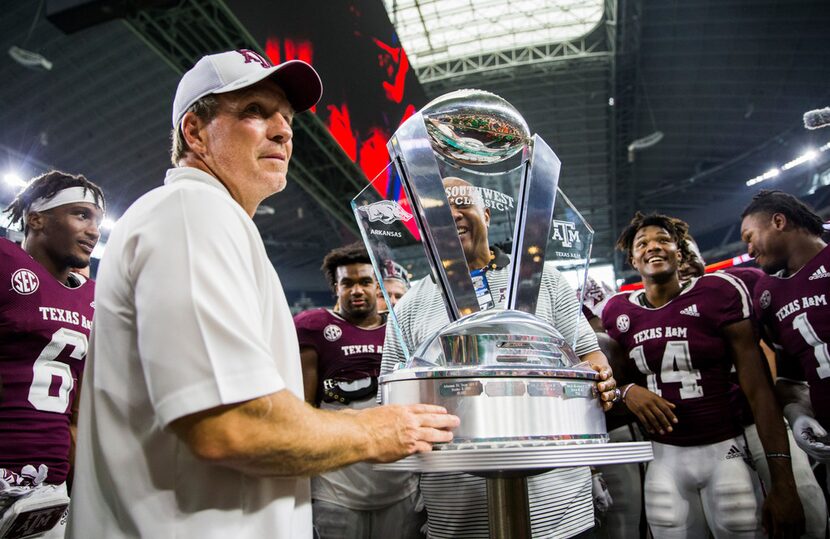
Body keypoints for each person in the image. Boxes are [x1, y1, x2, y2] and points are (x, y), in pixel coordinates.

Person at [66, 49, 458, 539]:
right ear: (194, 132)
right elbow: (234, 425)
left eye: (287, 118)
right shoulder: (192, 212)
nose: (283, 130)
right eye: (254, 111)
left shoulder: (210, 219)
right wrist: (381, 429)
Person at [380, 176, 618, 538]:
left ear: (487, 215)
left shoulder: (545, 280)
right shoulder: (410, 305)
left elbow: (590, 356)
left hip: (560, 509)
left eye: (461, 203)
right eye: (437, 210)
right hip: (458, 514)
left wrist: (601, 379)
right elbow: (390, 396)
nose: (452, 215)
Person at [602, 212, 804, 538]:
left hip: (724, 448)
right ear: (633, 259)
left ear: (678, 252)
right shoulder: (618, 311)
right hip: (664, 457)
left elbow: (759, 389)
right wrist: (626, 391)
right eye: (643, 243)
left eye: (663, 240)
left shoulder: (719, 290)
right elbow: (616, 386)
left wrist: (784, 484)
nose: (653, 247)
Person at [678, 234, 827, 537]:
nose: (685, 263)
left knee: (804, 505)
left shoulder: (740, 282)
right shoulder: (654, 311)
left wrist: (788, 403)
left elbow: (780, 346)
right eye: (678, 258)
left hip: (758, 417)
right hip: (708, 435)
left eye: (690, 253)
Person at [0, 170, 105, 538]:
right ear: (36, 218)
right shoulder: (5, 263)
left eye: (97, 221)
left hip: (49, 488)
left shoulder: (93, 296)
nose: (94, 230)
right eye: (81, 215)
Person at [295, 243, 423, 539]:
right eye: (347, 283)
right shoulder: (315, 327)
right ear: (335, 288)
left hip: (399, 484)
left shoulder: (401, 330)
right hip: (337, 485)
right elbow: (305, 408)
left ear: (377, 286)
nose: (356, 290)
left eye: (365, 281)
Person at [740, 190, 830, 470]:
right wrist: (798, 414)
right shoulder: (768, 293)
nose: (749, 251)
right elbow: (790, 377)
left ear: (778, 221)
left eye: (749, 237)